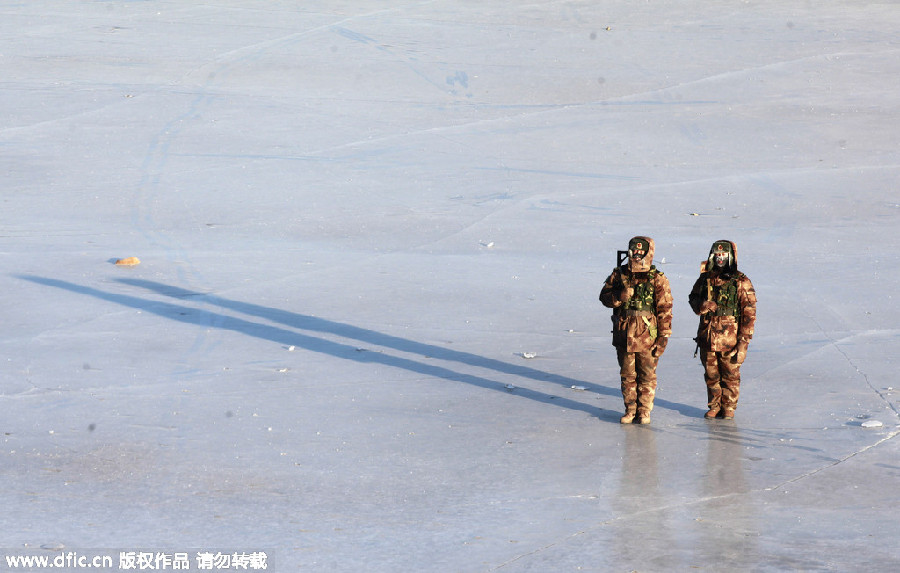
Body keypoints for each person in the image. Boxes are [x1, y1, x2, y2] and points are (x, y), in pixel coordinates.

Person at [599, 236, 673, 424]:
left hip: (647, 336)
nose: (637, 255)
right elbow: (604, 297)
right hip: (624, 334)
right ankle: (630, 410)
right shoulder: (620, 274)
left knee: (647, 375)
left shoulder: (657, 278)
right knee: (628, 375)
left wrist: (664, 337)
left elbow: (665, 309)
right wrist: (619, 296)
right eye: (635, 251)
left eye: (641, 251)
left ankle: (644, 411)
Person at [688, 240, 757, 420]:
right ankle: (714, 405)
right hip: (708, 336)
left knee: (730, 375)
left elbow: (749, 314)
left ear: (730, 257)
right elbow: (693, 298)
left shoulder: (741, 281)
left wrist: (743, 342)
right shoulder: (705, 279)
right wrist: (701, 305)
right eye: (717, 255)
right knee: (711, 375)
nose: (720, 259)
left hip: (730, 338)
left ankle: (729, 407)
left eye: (723, 256)